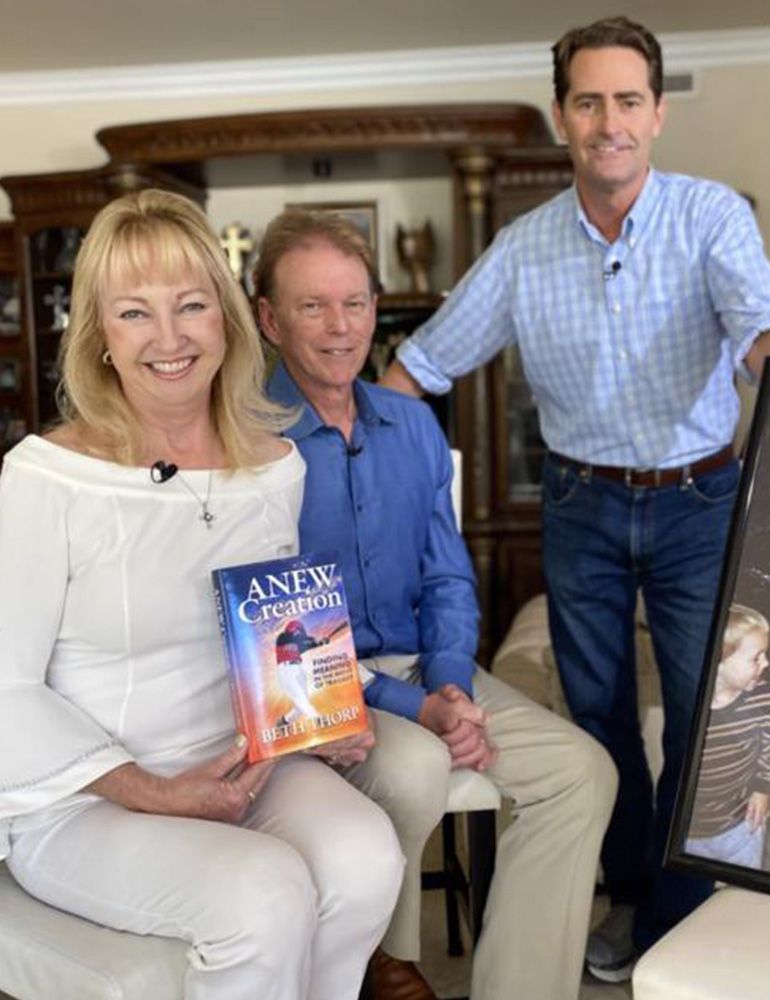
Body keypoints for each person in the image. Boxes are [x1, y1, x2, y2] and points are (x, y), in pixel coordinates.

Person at [379, 14, 770, 978]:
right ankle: (631, 894)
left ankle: (679, 911)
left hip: (701, 501)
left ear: (657, 114)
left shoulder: (710, 217)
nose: (608, 121)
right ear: (561, 117)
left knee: (708, 711)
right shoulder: (524, 245)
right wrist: (349, 435)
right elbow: (424, 365)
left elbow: (764, 328)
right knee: (598, 717)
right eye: (589, 102)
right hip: (578, 506)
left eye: (627, 100)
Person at [0, 189, 404, 1000]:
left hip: (237, 767)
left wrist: (317, 720)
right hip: (82, 801)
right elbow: (7, 690)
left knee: (369, 857)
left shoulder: (274, 468)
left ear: (227, 318)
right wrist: (153, 791)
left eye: (191, 306)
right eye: (134, 314)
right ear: (100, 338)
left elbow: (273, 634)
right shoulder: (46, 478)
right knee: (264, 894)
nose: (170, 338)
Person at [256, 207, 618, 1000]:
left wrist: (452, 683)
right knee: (418, 763)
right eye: (312, 306)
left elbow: (447, 575)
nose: (339, 326)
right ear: (269, 318)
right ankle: (384, 960)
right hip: (320, 687)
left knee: (583, 773)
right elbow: (278, 629)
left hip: (428, 669)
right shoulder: (249, 439)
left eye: (355, 303)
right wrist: (418, 708)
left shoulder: (412, 424)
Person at [684, 604, 770, 869]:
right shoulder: (687, 705)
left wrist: (764, 789)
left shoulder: (764, 699)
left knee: (743, 892)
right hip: (687, 829)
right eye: (756, 657)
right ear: (718, 660)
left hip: (741, 824)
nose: (767, 663)